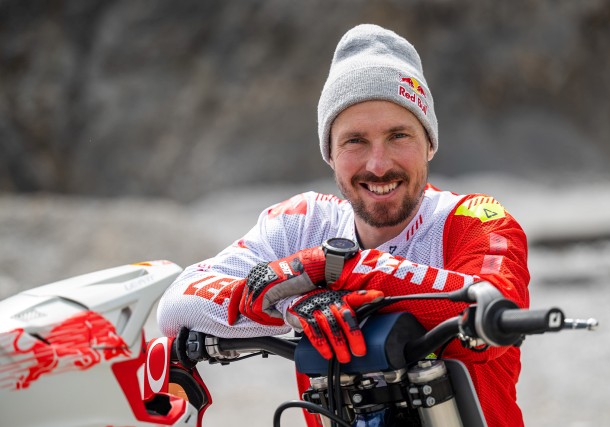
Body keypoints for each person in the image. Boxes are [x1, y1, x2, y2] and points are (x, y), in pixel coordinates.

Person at [157, 24, 529, 427]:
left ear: (430, 143)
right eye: (354, 141)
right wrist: (290, 300)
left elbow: (495, 306)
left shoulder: (476, 219)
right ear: (330, 154)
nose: (378, 164)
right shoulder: (300, 223)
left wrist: (330, 271)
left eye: (398, 136)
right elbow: (177, 304)